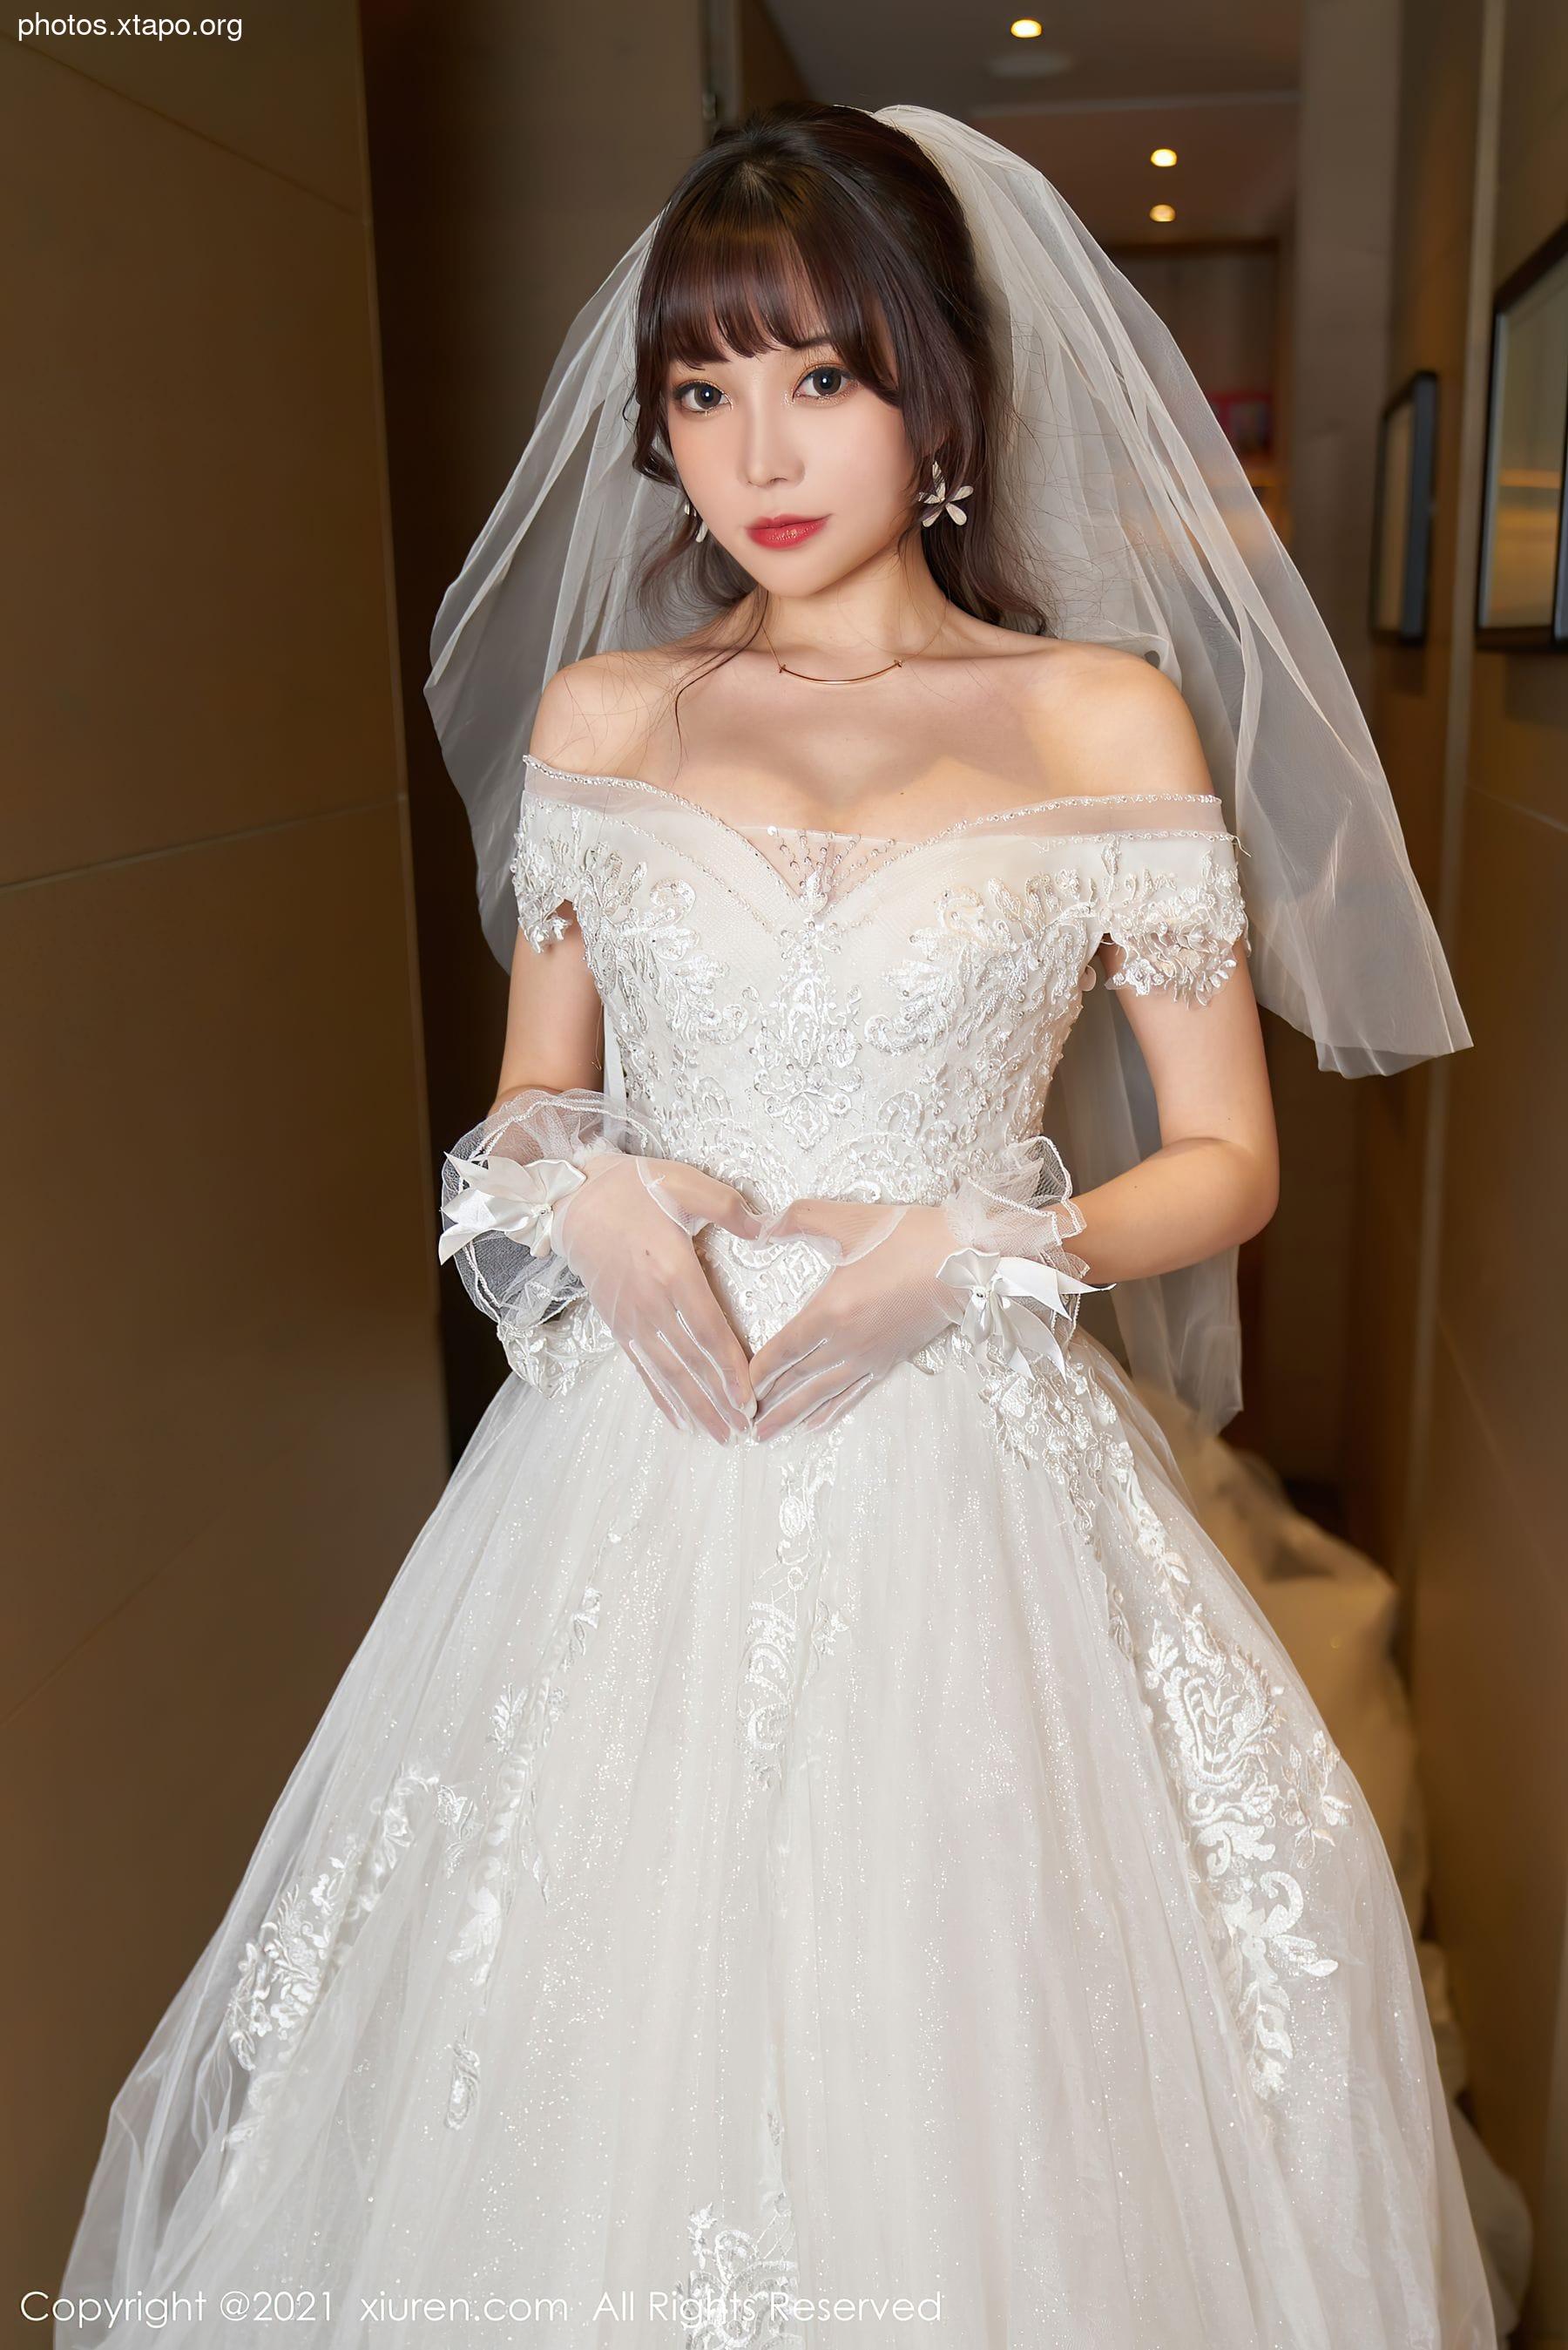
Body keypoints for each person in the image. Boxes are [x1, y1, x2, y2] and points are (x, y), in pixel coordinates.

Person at [57, 102, 1497, 2348]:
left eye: (821, 372)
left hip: (960, 1460)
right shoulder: (610, 712)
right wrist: (595, 1194)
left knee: (975, 2036)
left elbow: (1230, 1152)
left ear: (937, 388)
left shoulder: (1090, 710)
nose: (760, 446)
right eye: (703, 390)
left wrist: (972, 1252)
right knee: (581, 2030)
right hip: (640, 1465)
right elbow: (535, 1103)